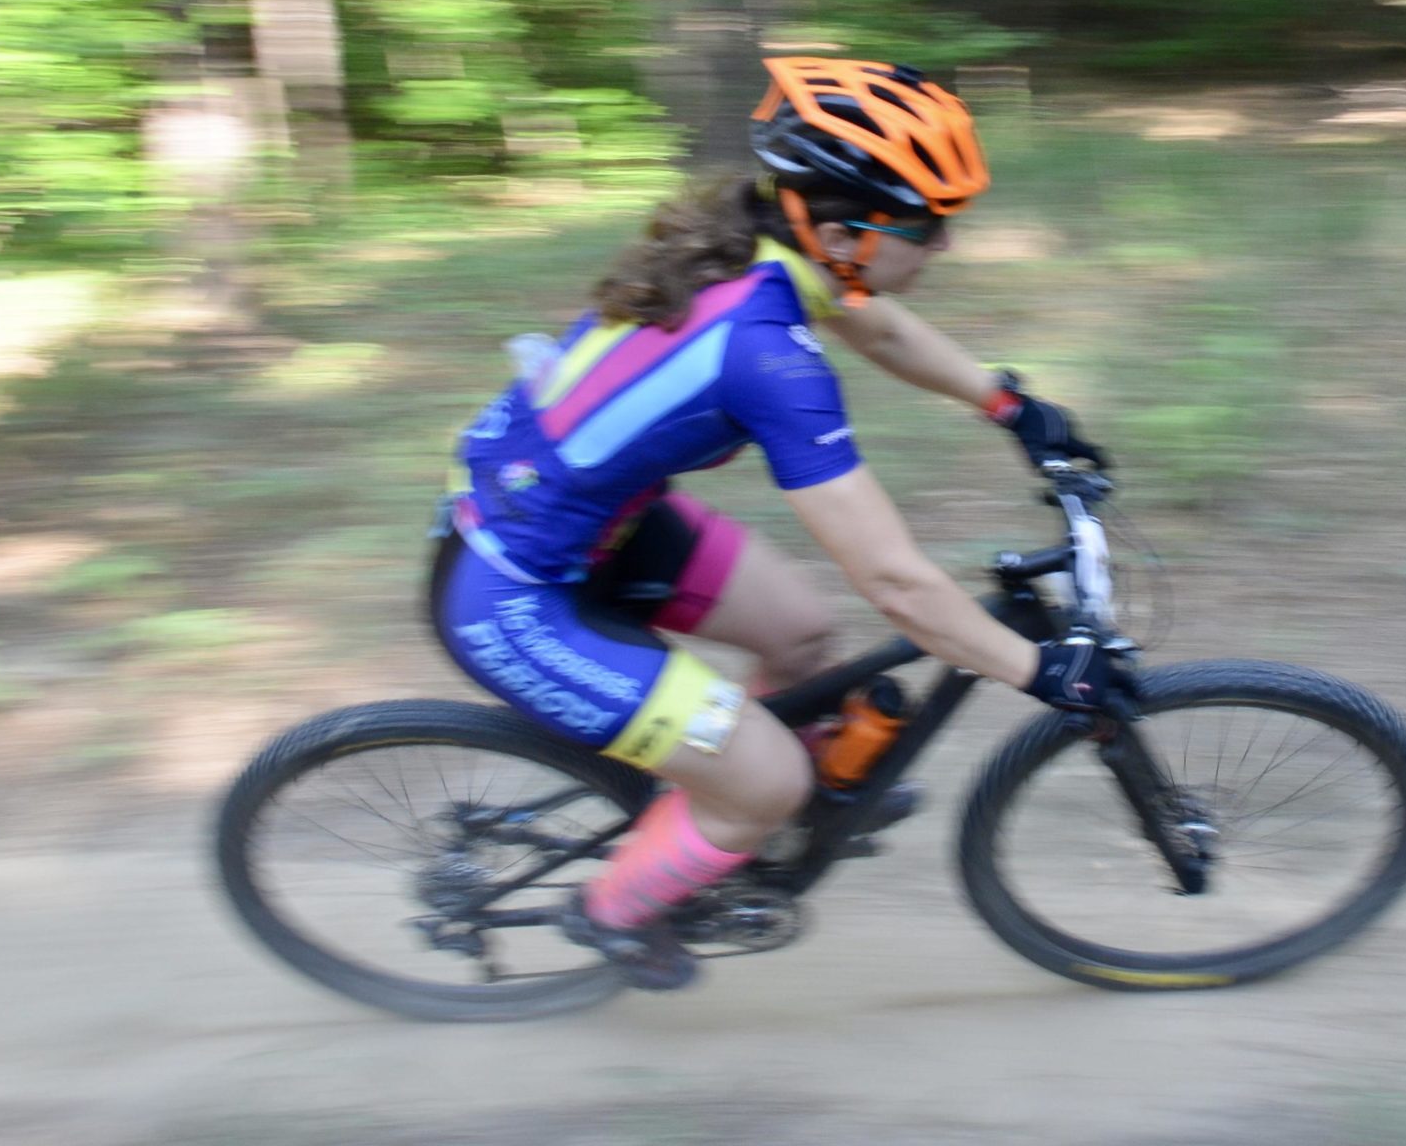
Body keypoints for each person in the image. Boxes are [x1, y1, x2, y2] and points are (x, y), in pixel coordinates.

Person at [434, 58, 1117, 990]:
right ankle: (617, 908)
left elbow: (876, 324)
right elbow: (897, 584)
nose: (944, 246)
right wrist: (1041, 672)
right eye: (926, 225)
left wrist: (1013, 407)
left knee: (801, 635)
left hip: (588, 522)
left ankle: (738, 812)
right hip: (513, 593)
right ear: (842, 231)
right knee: (763, 782)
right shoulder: (768, 355)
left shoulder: (769, 251)